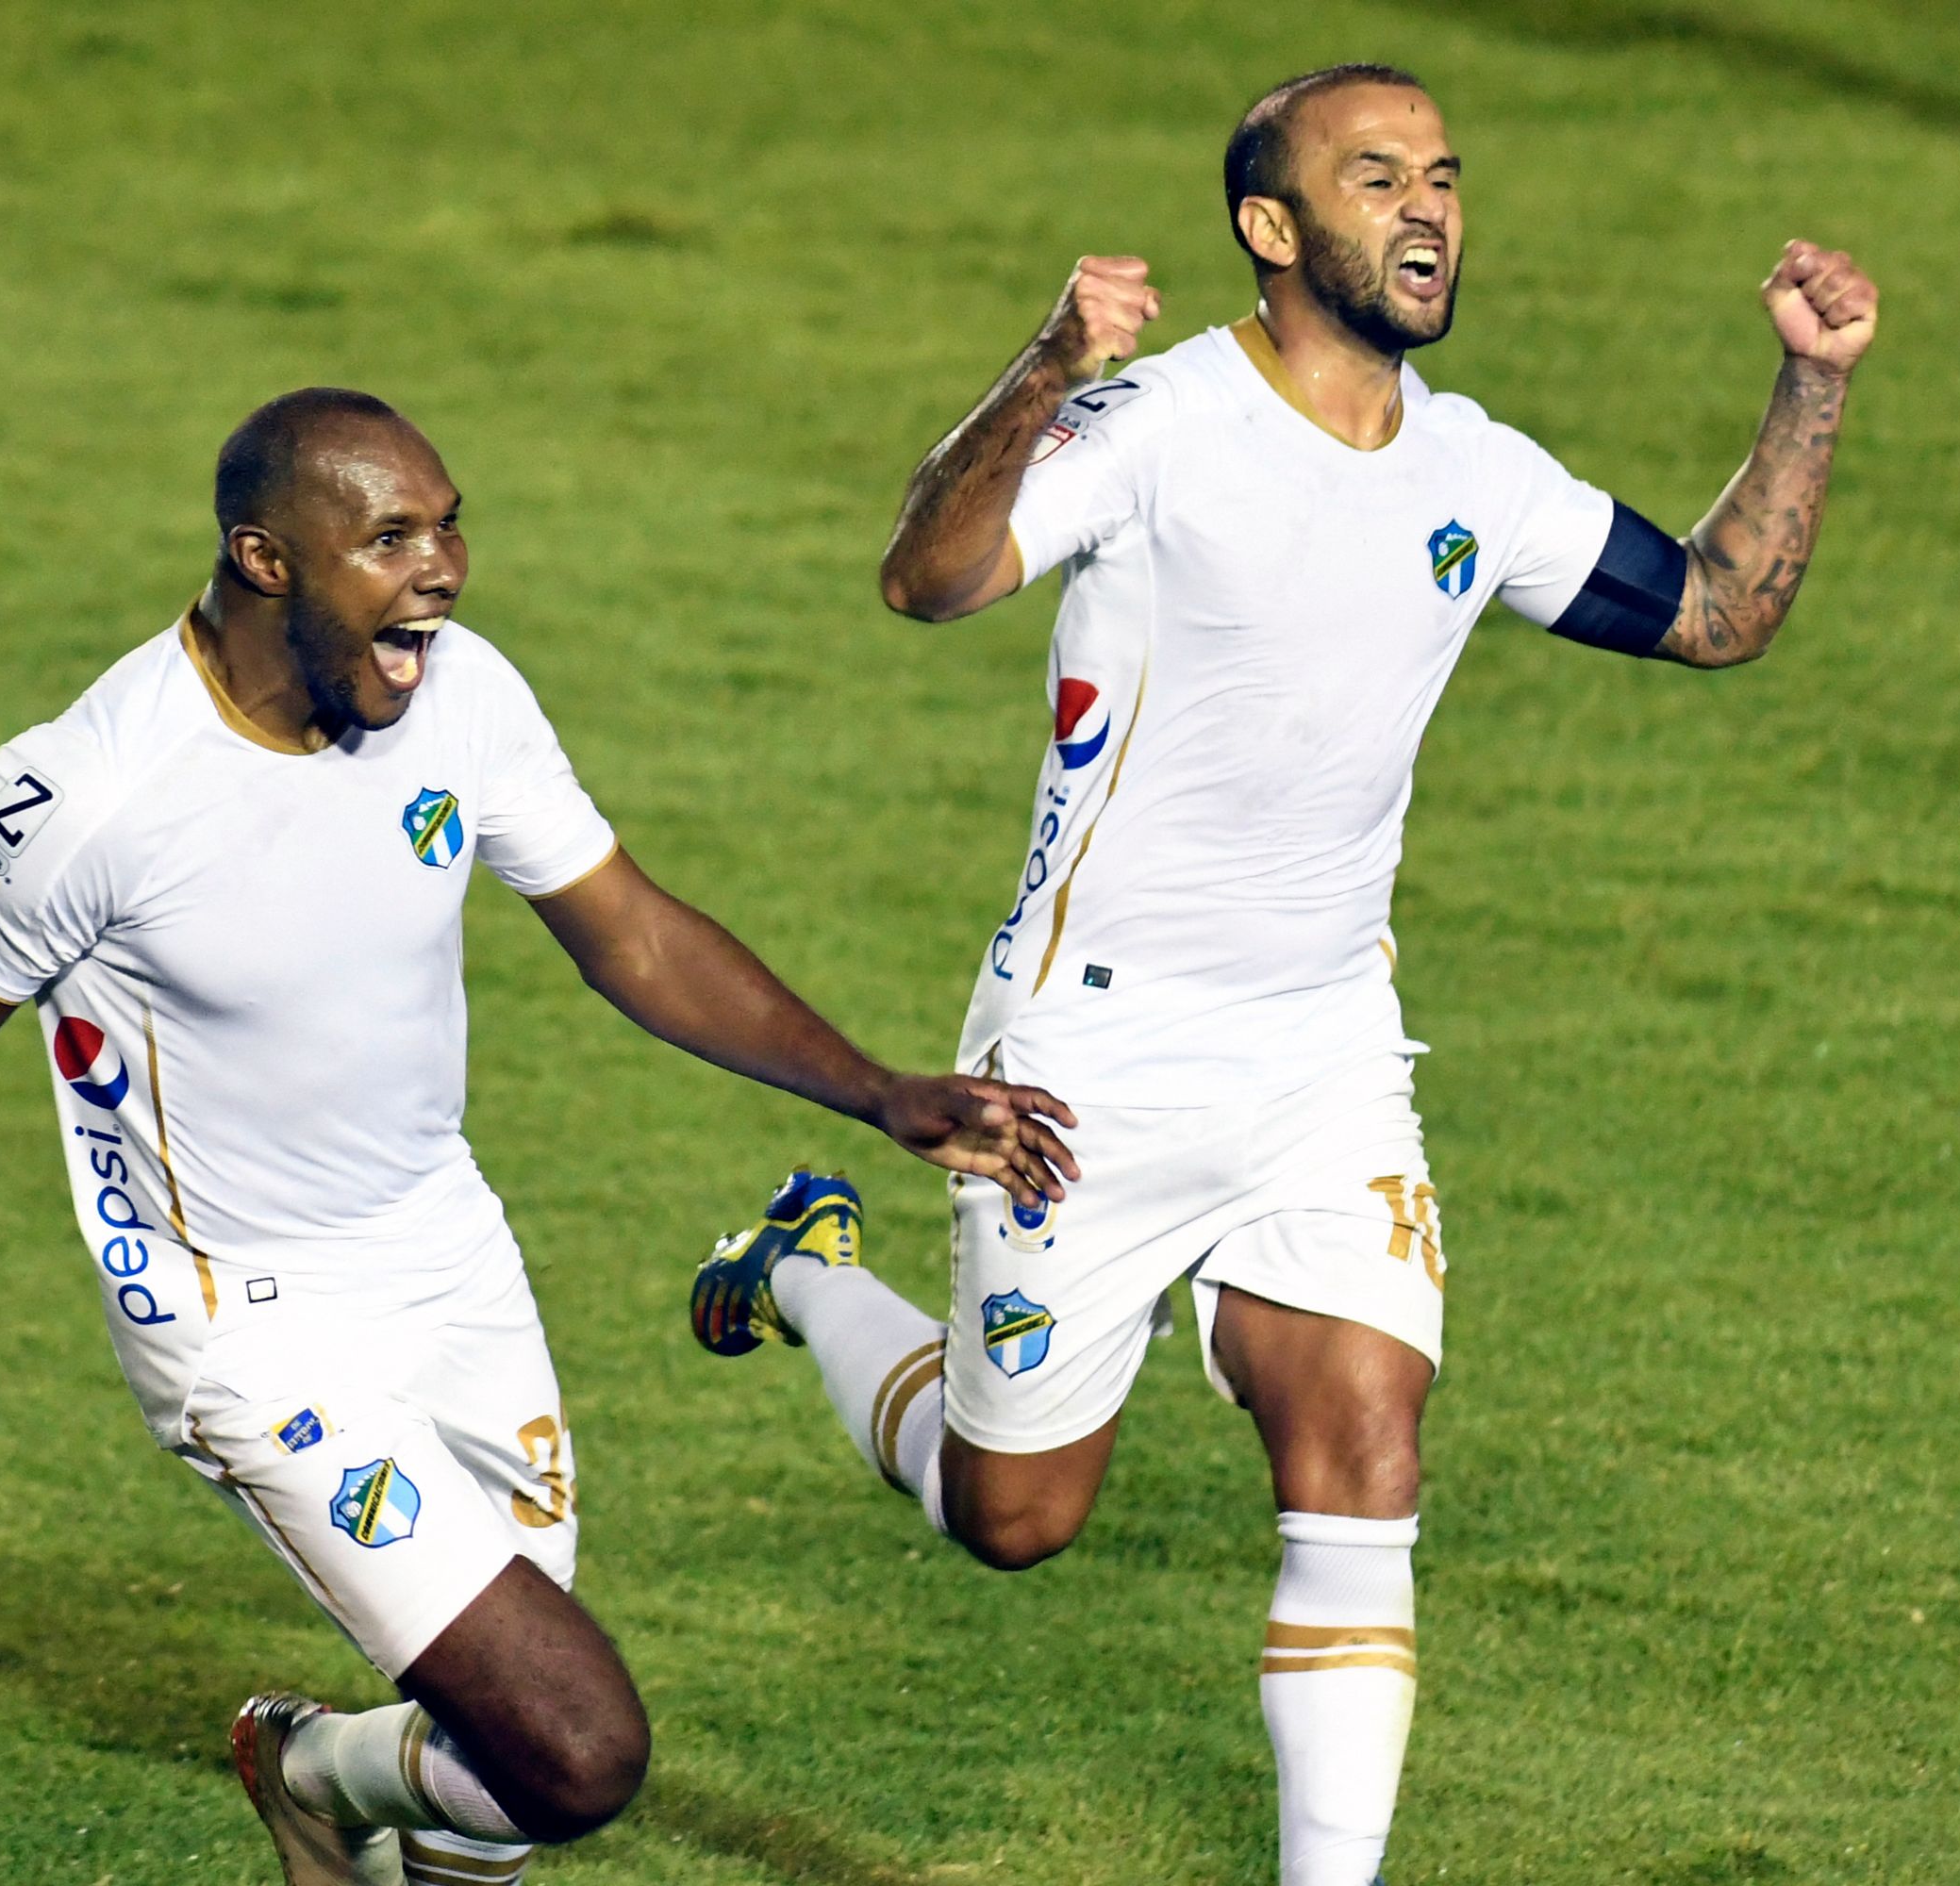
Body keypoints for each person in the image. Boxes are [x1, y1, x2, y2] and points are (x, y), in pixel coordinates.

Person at [0, 387, 1077, 1886]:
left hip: (445, 1250)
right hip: (242, 1313)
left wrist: (880, 1092)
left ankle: (328, 1804)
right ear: (265, 559)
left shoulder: (460, 695)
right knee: (570, 1751)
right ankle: (304, 1764)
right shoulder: (90, 798)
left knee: (495, 1765)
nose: (444, 567)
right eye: (391, 537)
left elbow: (630, 934)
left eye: (450, 524)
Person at [688, 63, 1876, 1886]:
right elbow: (927, 582)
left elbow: (1718, 610)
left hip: (1326, 1058)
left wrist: (1813, 382)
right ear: (1271, 228)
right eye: (1377, 176)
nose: (1428, 211)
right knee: (1015, 1516)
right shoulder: (1156, 425)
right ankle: (803, 1269)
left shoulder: (1478, 470)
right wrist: (1040, 370)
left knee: (1365, 1441)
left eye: (1446, 179)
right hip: (1090, 1058)